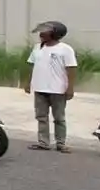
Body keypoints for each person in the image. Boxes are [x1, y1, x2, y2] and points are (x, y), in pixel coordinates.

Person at [26, 20, 77, 152]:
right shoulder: (37, 47)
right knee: (41, 117)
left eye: (45, 31)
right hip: (39, 88)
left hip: (57, 89)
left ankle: (61, 143)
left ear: (55, 34)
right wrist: (28, 82)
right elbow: (31, 65)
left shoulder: (65, 49)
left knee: (59, 118)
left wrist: (70, 88)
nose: (41, 34)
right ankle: (43, 143)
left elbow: (71, 69)